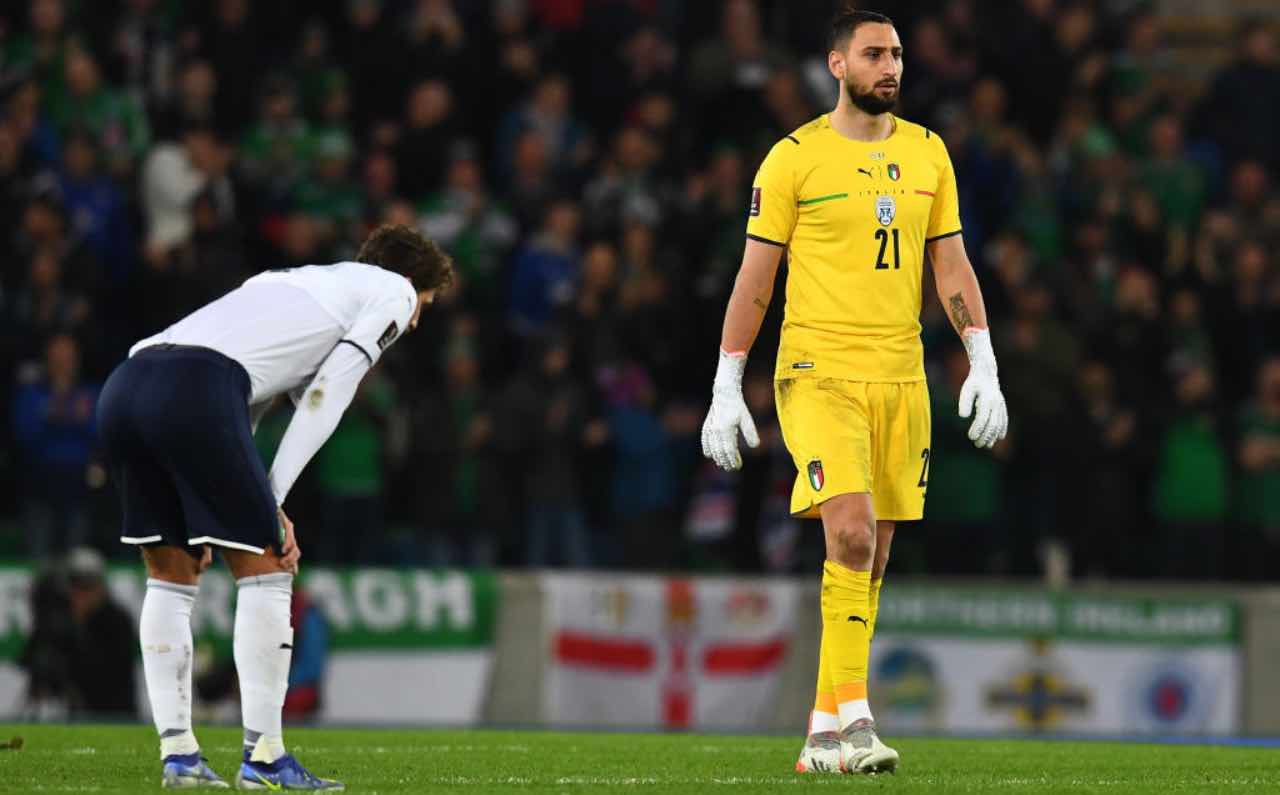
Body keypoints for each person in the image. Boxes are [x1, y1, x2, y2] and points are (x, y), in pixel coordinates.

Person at [698, 9, 1008, 775]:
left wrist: (984, 360)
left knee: (870, 559)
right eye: (874, 53)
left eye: (897, 53)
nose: (890, 66)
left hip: (902, 377)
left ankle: (820, 732)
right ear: (837, 65)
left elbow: (952, 267)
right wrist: (726, 383)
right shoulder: (792, 159)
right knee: (853, 531)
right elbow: (755, 279)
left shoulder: (930, 153)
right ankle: (858, 721)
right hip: (817, 372)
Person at [97, 224, 452, 790]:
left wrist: (242, 497)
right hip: (197, 387)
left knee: (171, 575)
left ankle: (181, 758)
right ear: (413, 283)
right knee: (268, 566)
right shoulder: (393, 290)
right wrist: (273, 500)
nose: (414, 321)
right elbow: (328, 393)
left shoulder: (285, 281)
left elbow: (246, 401)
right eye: (425, 306)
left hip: (128, 384)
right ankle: (264, 758)